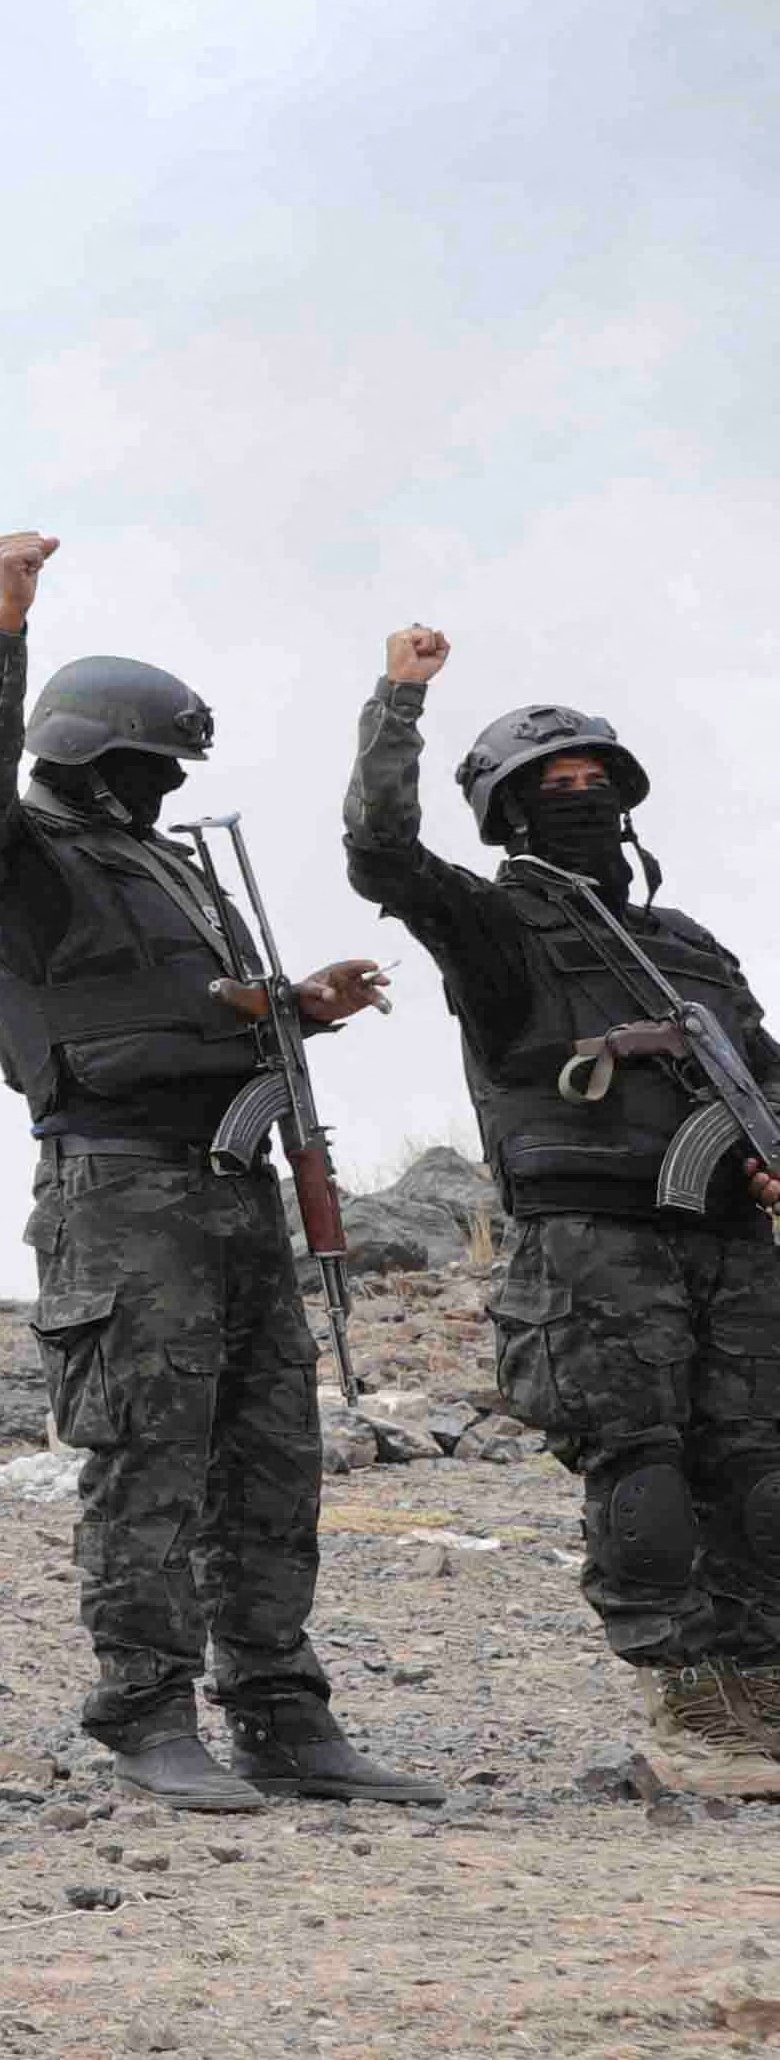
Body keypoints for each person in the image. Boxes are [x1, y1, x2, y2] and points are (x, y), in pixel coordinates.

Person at [0, 531, 434, 1812]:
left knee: (269, 1451)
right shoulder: (19, 862)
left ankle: (277, 1709)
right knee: (145, 1457)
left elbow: (201, 1010)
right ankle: (144, 1709)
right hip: (120, 1191)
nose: (162, 785)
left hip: (230, 1184)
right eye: (147, 765)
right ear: (94, 758)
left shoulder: (168, 863)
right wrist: (3, 629)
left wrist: (298, 1006)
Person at [348, 623, 780, 1799]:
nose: (581, 803)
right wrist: (399, 702)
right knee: (639, 1471)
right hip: (593, 1248)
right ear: (511, 814)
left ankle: (767, 1691)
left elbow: (765, 1071)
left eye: (597, 786)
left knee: (756, 1471)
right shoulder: (496, 932)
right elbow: (380, 854)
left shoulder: (687, 949)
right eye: (554, 789)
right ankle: (691, 1702)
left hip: (729, 1244)